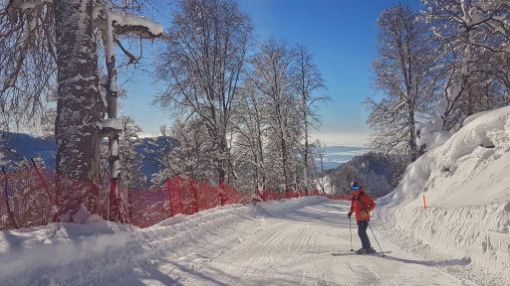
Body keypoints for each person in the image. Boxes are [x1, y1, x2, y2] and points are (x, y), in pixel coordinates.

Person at [347, 179, 376, 254]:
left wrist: (367, 211)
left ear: (359, 187)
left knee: (361, 232)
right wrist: (351, 212)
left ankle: (367, 248)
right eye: (353, 188)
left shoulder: (363, 195)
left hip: (365, 218)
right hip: (358, 218)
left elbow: (373, 204)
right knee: (361, 233)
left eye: (356, 187)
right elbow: (354, 206)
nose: (355, 189)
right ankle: (366, 247)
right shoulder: (353, 196)